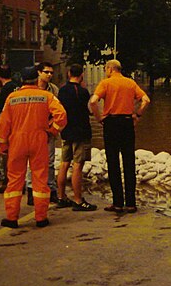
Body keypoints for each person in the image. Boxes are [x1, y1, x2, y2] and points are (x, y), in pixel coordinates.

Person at [0, 66, 66, 228]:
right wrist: (52, 131)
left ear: (21, 81)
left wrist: (3, 145)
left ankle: (12, 218)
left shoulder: (12, 98)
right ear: (37, 79)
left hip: (17, 142)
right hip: (39, 140)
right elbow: (61, 116)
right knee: (40, 179)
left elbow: (3, 124)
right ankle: (41, 217)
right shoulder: (46, 96)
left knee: (14, 180)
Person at [89, 59, 149, 214]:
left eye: (105, 69)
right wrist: (138, 114)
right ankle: (131, 203)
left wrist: (98, 118)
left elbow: (93, 102)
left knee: (113, 162)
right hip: (127, 123)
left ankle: (117, 203)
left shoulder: (105, 83)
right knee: (129, 162)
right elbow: (146, 100)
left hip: (111, 124)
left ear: (110, 69)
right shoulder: (130, 83)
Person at [56, 64, 97, 211]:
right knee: (77, 166)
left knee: (64, 163)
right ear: (82, 75)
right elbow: (88, 110)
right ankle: (78, 200)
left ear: (68, 73)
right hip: (80, 132)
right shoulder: (83, 92)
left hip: (66, 131)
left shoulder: (62, 91)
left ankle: (61, 197)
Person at [25, 62, 60, 205]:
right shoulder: (30, 90)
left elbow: (59, 111)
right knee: (31, 162)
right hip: (31, 131)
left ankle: (51, 190)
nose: (50, 75)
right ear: (39, 73)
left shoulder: (54, 90)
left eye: (51, 72)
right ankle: (30, 190)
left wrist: (53, 128)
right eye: (47, 72)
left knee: (49, 162)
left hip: (47, 131)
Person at [0, 65, 17, 194]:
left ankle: (7, 182)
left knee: (6, 154)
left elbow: (3, 111)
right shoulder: (16, 86)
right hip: (18, 126)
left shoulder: (5, 90)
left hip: (8, 127)